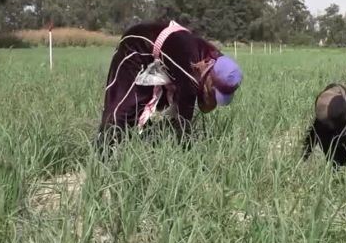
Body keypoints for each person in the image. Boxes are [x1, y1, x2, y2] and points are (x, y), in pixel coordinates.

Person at [97, 19, 242, 151]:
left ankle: (145, 141)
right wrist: (187, 150)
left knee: (160, 105)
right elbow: (184, 122)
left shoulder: (217, 60)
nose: (214, 98)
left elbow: (204, 104)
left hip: (166, 55)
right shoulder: (190, 71)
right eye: (213, 92)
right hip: (137, 44)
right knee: (124, 105)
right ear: (209, 74)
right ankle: (102, 152)